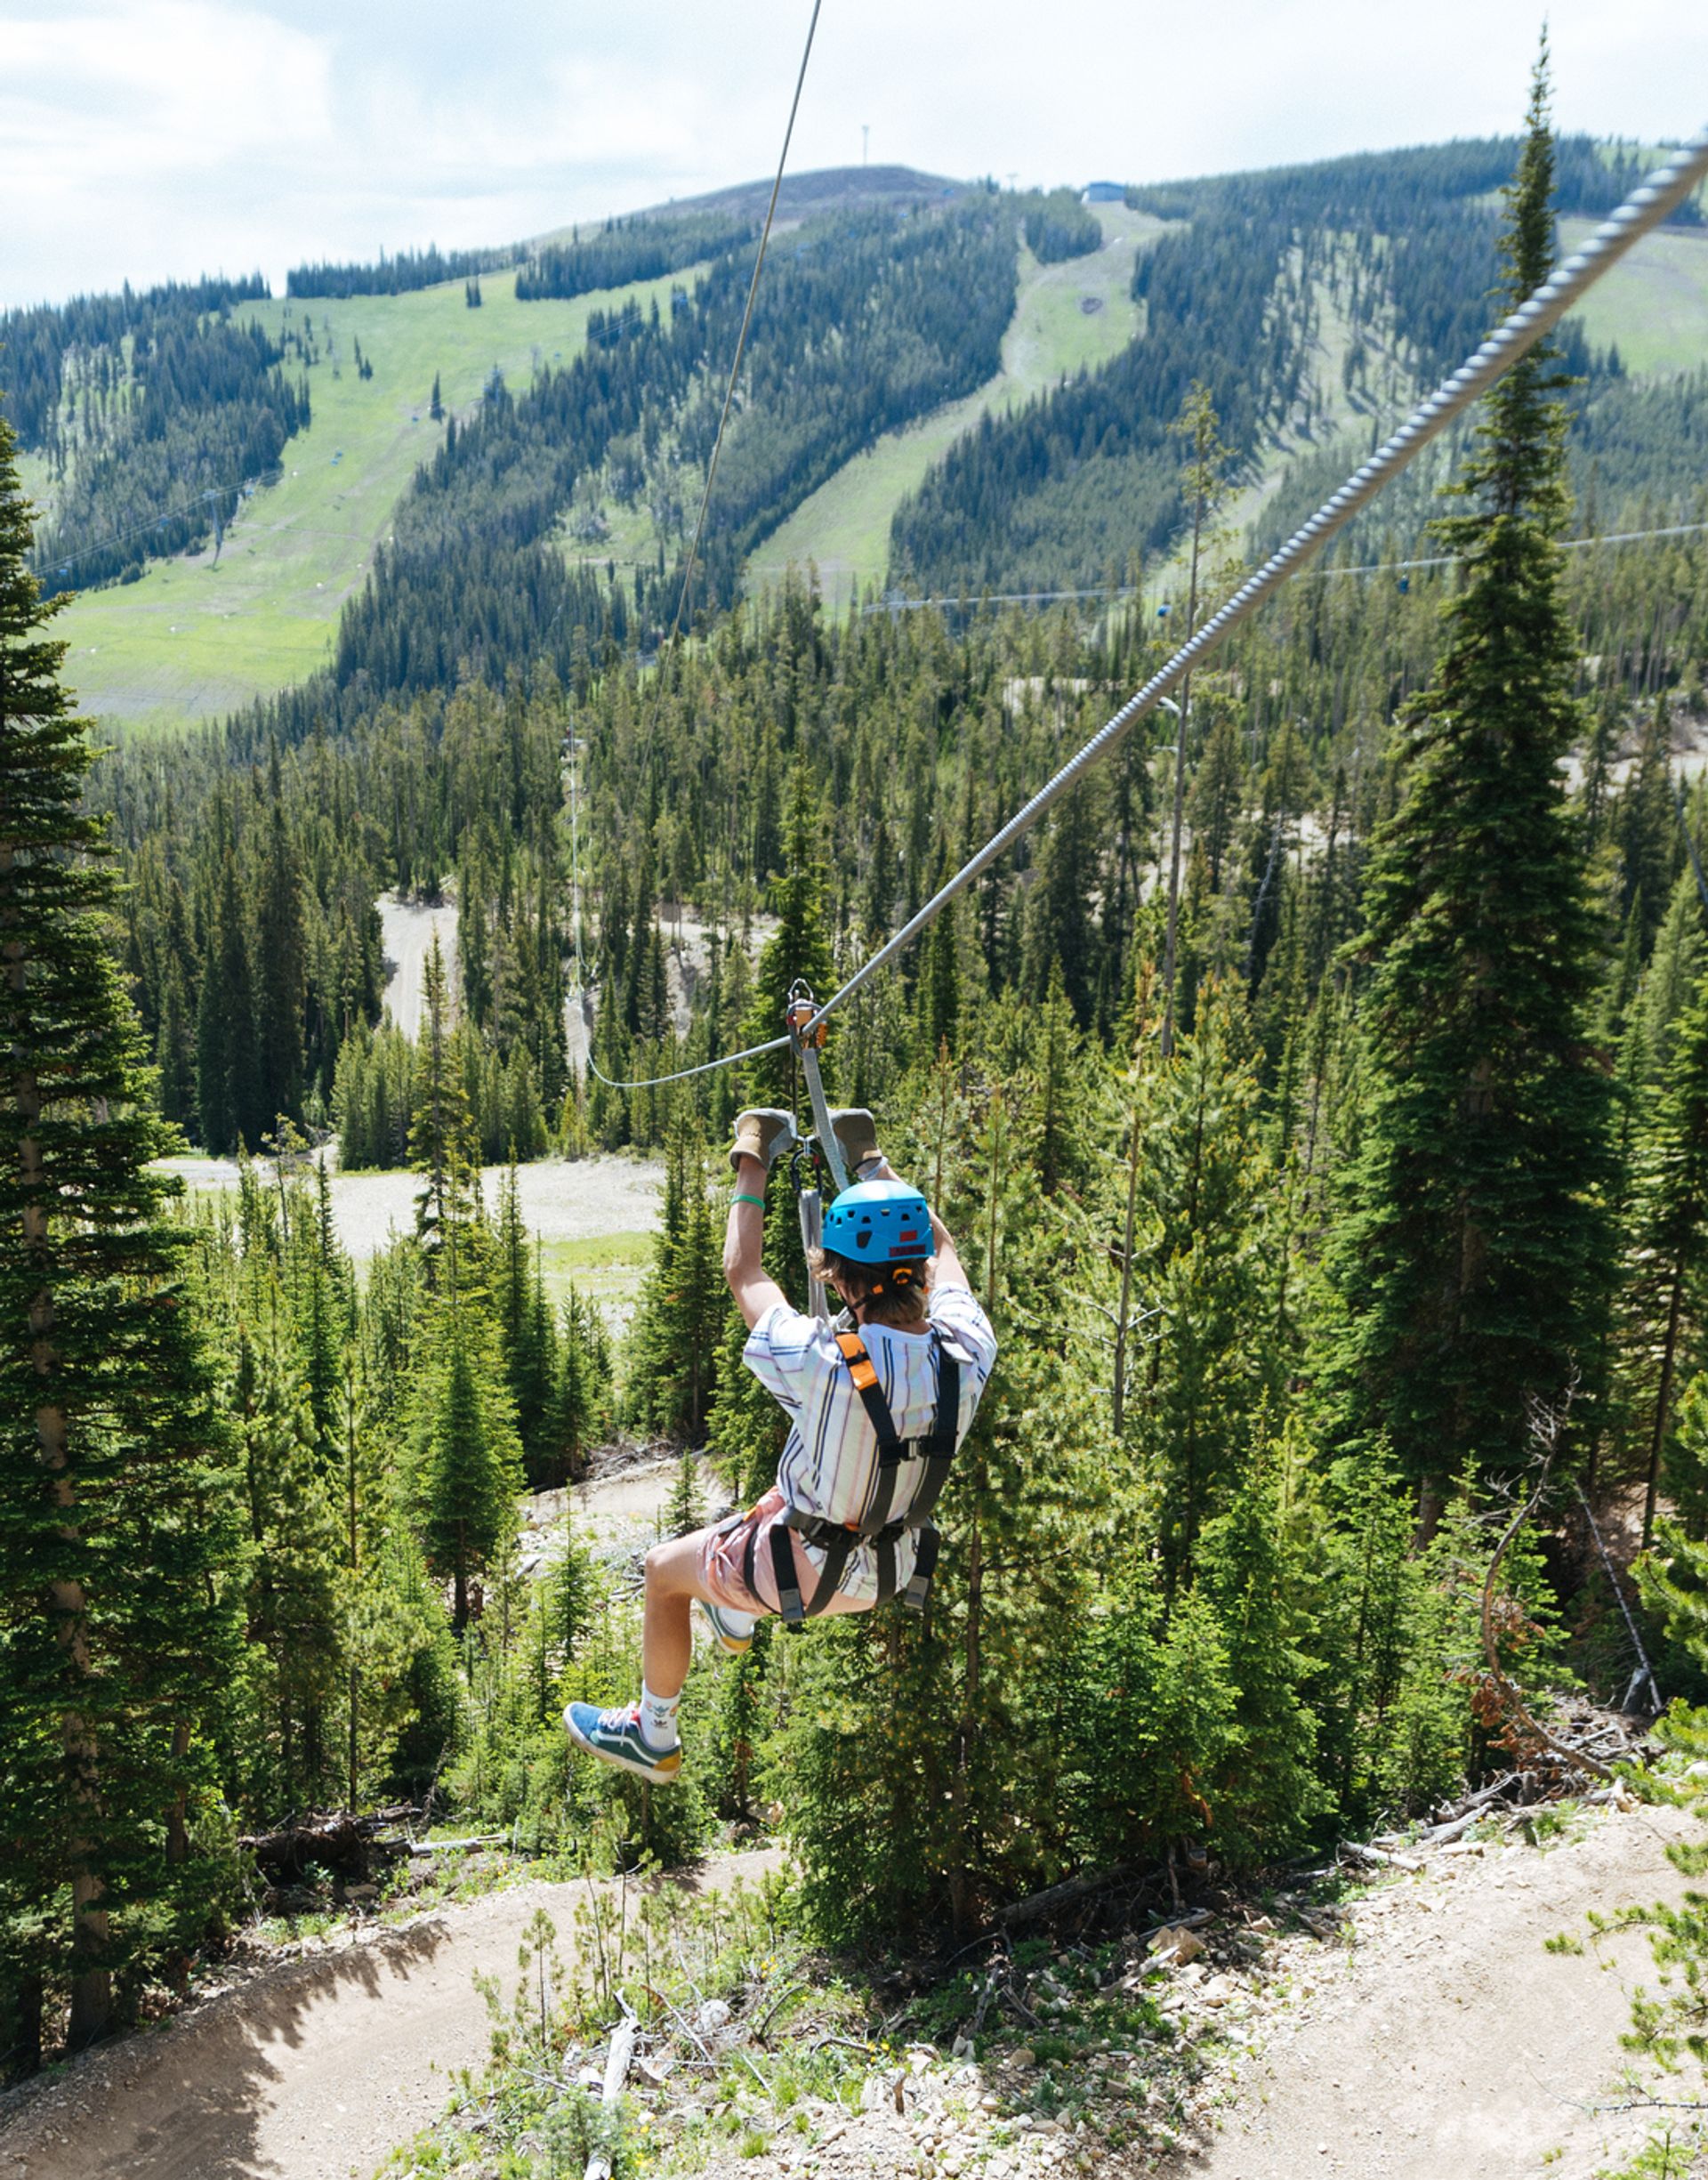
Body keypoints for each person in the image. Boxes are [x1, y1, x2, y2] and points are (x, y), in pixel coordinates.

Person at [565, 1105, 998, 1782]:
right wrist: (871, 1162)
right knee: (800, 1480)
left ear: (847, 1284)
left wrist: (752, 1154)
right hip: (889, 1569)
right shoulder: (967, 1350)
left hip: (797, 1576)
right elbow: (948, 1254)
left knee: (660, 1572)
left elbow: (744, 1272)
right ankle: (733, 1614)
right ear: (915, 1273)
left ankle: (653, 1731)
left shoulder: (823, 1362)